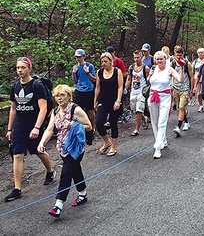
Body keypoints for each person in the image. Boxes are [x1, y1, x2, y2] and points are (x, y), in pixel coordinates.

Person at [5, 57, 55, 202]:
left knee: (38, 151)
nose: (20, 70)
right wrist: (10, 129)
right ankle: (17, 189)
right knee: (17, 154)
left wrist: (37, 127)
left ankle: (50, 171)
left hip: (34, 125)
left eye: (23, 67)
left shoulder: (37, 86)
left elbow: (43, 108)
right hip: (20, 126)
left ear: (29, 69)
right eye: (18, 68)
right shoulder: (15, 87)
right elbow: (13, 109)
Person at [37, 84, 92, 218]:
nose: (59, 98)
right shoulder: (55, 111)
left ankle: (58, 204)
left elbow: (89, 126)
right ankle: (83, 193)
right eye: (57, 96)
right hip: (62, 147)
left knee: (66, 172)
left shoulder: (75, 109)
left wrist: (73, 124)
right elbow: (50, 129)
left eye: (62, 95)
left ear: (69, 96)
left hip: (76, 147)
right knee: (74, 170)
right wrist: (41, 143)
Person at [147, 51, 184, 159]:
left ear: (165, 59)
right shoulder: (153, 69)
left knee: (162, 122)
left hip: (165, 98)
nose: (159, 61)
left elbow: (180, 80)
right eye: (157, 59)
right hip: (153, 97)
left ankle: (157, 148)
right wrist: (149, 76)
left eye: (161, 59)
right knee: (154, 121)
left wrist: (182, 69)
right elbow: (150, 81)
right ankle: (162, 140)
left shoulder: (169, 69)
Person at [94, 52, 123, 157]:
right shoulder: (99, 72)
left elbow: (120, 87)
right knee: (99, 122)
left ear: (111, 62)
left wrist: (118, 101)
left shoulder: (117, 72)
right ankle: (107, 141)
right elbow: (97, 87)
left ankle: (113, 147)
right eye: (102, 62)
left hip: (114, 101)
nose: (103, 63)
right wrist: (95, 101)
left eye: (106, 61)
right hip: (103, 101)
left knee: (112, 122)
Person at [125, 50, 150, 136]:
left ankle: (136, 129)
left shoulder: (145, 68)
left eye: (138, 57)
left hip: (141, 92)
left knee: (139, 109)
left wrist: (148, 91)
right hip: (133, 91)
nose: (136, 59)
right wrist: (125, 88)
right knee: (134, 109)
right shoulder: (131, 67)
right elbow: (129, 79)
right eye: (135, 57)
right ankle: (144, 118)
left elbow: (148, 80)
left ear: (141, 57)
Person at [171, 46, 194, 135]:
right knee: (179, 108)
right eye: (177, 55)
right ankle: (186, 122)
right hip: (176, 88)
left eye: (180, 55)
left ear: (183, 54)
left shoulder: (187, 64)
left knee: (181, 107)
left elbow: (191, 77)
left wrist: (192, 89)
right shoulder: (172, 63)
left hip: (185, 88)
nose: (179, 57)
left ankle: (178, 127)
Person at [71, 49, 96, 129]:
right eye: (76, 57)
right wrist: (74, 73)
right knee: (78, 110)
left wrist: (87, 72)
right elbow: (75, 81)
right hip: (79, 90)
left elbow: (94, 79)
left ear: (83, 56)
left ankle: (93, 126)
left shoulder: (89, 66)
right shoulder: (75, 67)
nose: (78, 59)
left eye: (79, 57)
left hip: (88, 90)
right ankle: (80, 127)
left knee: (90, 110)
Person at [192, 48, 204, 112]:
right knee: (199, 93)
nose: (200, 54)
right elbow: (192, 71)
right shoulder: (195, 61)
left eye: (201, 52)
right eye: (199, 53)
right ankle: (201, 105)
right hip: (197, 79)